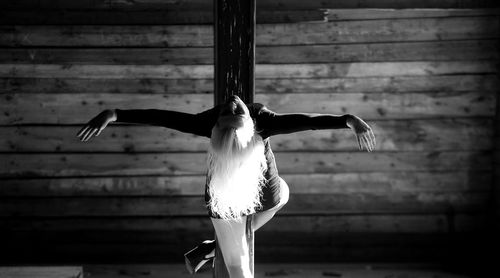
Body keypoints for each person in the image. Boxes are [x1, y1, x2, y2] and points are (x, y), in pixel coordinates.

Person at [76, 95, 376, 278]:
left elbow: (308, 121)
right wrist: (346, 120)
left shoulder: (218, 122)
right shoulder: (258, 119)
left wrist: (116, 114)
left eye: (231, 109)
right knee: (238, 266)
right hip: (225, 197)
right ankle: (214, 247)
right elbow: (163, 119)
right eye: (233, 110)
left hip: (263, 190)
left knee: (283, 193)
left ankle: (212, 247)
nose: (233, 101)